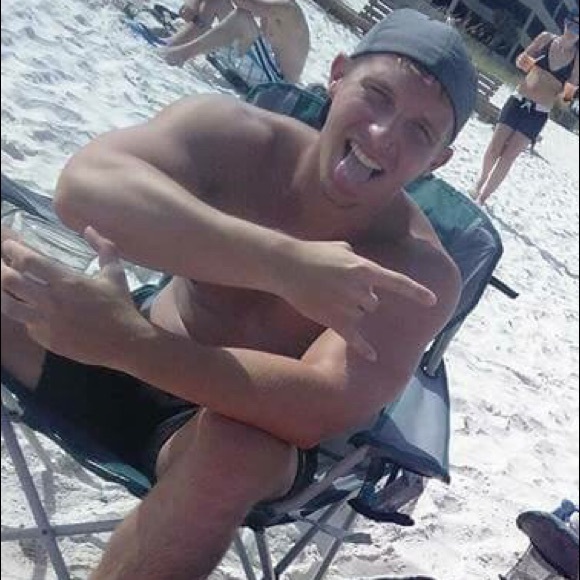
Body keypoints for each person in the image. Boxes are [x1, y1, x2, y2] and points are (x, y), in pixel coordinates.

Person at [1, 9, 477, 580]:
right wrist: (281, 264)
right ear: (337, 75)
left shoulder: (418, 270)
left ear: (438, 160)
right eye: (376, 96)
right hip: (114, 344)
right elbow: (84, 190)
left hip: (211, 423)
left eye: (419, 132)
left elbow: (316, 407)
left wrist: (128, 343)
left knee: (237, 453)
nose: (382, 135)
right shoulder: (239, 138)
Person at [472, 7, 579, 206]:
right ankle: (480, 181)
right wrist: (526, 62)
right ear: (565, 23)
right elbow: (521, 61)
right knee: (495, 147)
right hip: (519, 99)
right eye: (572, 25)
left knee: (509, 156)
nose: (574, 32)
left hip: (539, 112)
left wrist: (566, 95)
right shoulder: (546, 38)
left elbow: (566, 97)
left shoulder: (577, 59)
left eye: (578, 29)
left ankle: (483, 197)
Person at [160, 0, 310, 84]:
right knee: (218, 2)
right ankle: (175, 42)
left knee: (242, 17)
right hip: (263, 69)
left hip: (277, 82)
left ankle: (180, 54)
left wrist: (192, 2)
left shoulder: (288, 8)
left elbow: (246, 5)